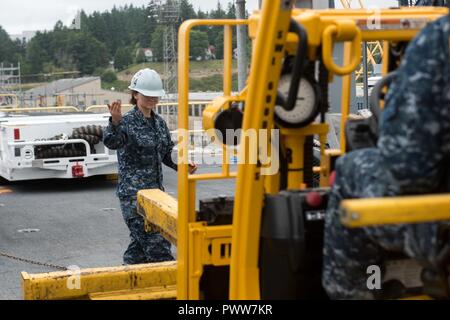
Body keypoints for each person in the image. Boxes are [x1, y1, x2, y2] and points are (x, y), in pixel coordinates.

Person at [322, 10, 450, 299]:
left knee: (351, 169)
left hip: (441, 227)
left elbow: (408, 167)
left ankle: (355, 292)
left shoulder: (441, 39)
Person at [103, 68, 197, 265]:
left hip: (155, 195)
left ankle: (127, 279)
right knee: (158, 246)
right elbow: (112, 142)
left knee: (138, 249)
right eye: (147, 95)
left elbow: (166, 152)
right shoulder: (126, 122)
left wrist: (182, 164)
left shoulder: (159, 124)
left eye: (155, 96)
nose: (152, 99)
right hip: (133, 198)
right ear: (135, 95)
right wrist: (114, 122)